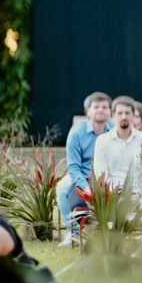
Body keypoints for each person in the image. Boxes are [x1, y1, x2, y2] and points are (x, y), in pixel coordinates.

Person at [57, 90, 112, 246]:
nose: (100, 110)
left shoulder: (115, 130)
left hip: (108, 176)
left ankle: (114, 230)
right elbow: (73, 167)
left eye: (104, 107)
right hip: (82, 175)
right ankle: (72, 231)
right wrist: (86, 187)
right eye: (96, 107)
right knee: (62, 188)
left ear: (110, 111)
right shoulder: (76, 133)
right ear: (87, 111)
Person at [92, 95, 142, 193]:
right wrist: (116, 194)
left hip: (138, 194)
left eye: (127, 113)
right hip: (112, 196)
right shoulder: (102, 141)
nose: (124, 116)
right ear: (113, 115)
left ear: (133, 115)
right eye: (120, 113)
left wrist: (138, 194)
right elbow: (101, 174)